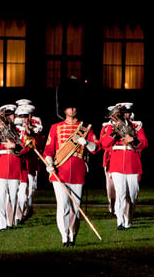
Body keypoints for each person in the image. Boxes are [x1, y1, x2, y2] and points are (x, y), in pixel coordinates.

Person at [43, 102, 99, 247]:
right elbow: (48, 151)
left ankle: (73, 234)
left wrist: (86, 142)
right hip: (60, 171)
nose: (72, 109)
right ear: (64, 109)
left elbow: (95, 148)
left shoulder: (85, 128)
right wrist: (49, 163)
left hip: (78, 172)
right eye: (69, 106)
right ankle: (64, 235)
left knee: (76, 207)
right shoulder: (56, 127)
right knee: (63, 206)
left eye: (74, 106)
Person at [99, 102, 148, 230]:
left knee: (132, 194)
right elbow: (104, 143)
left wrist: (133, 140)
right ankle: (120, 221)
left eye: (126, 113)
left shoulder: (137, 126)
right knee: (120, 193)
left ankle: (128, 220)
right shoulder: (112, 127)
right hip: (117, 162)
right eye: (122, 113)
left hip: (132, 162)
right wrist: (115, 133)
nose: (124, 115)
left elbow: (144, 143)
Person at [0, 104, 29, 231]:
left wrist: (14, 146)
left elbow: (26, 148)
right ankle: (2, 224)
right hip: (1, 166)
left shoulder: (19, 130)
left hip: (14, 165)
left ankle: (10, 222)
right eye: (5, 116)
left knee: (13, 196)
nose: (7, 118)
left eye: (10, 115)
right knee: (0, 197)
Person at [13, 100, 44, 224]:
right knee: (20, 190)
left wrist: (30, 131)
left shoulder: (35, 127)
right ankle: (18, 216)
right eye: (21, 116)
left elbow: (39, 143)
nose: (23, 119)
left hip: (31, 162)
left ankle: (28, 209)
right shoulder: (15, 128)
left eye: (26, 116)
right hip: (19, 162)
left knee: (31, 189)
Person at [100, 106, 117, 216]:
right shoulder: (106, 127)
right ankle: (112, 204)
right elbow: (103, 142)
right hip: (110, 158)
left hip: (121, 157)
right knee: (110, 185)